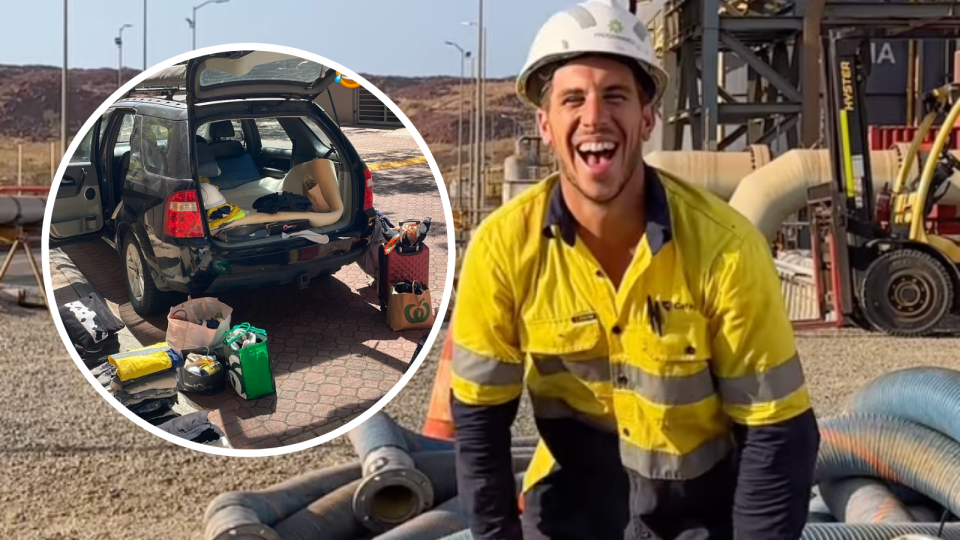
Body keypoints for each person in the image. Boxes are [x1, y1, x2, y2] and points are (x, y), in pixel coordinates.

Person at [448, 1, 821, 539]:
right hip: (573, 507)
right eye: (572, 98)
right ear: (545, 125)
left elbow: (778, 432)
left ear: (648, 118)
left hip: (699, 515)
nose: (594, 116)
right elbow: (481, 426)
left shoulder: (727, 248)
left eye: (615, 95)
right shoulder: (502, 250)